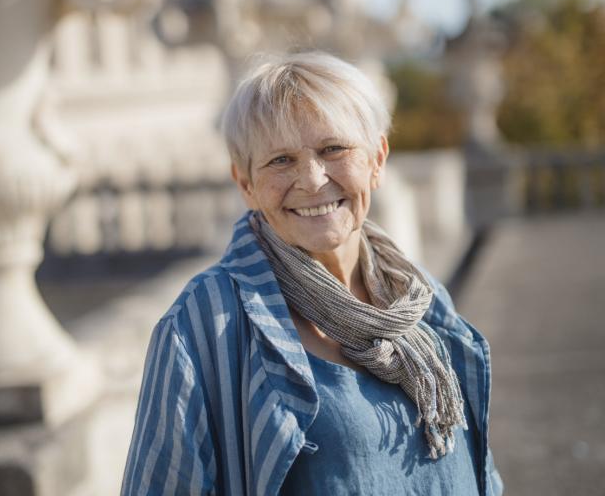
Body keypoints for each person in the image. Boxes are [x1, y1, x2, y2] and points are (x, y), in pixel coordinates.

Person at [121, 52, 503, 495]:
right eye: (280, 160)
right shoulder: (202, 326)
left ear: (377, 159)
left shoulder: (420, 298)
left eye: (333, 149)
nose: (312, 179)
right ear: (245, 184)